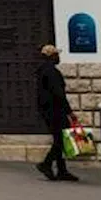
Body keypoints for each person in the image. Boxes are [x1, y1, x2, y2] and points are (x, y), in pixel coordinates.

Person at [34, 44, 78, 182]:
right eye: (56, 55)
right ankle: (46, 164)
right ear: (52, 56)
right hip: (55, 110)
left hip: (48, 110)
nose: (58, 57)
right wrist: (69, 112)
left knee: (60, 139)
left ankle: (61, 170)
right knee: (60, 140)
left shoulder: (43, 71)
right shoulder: (51, 72)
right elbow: (58, 94)